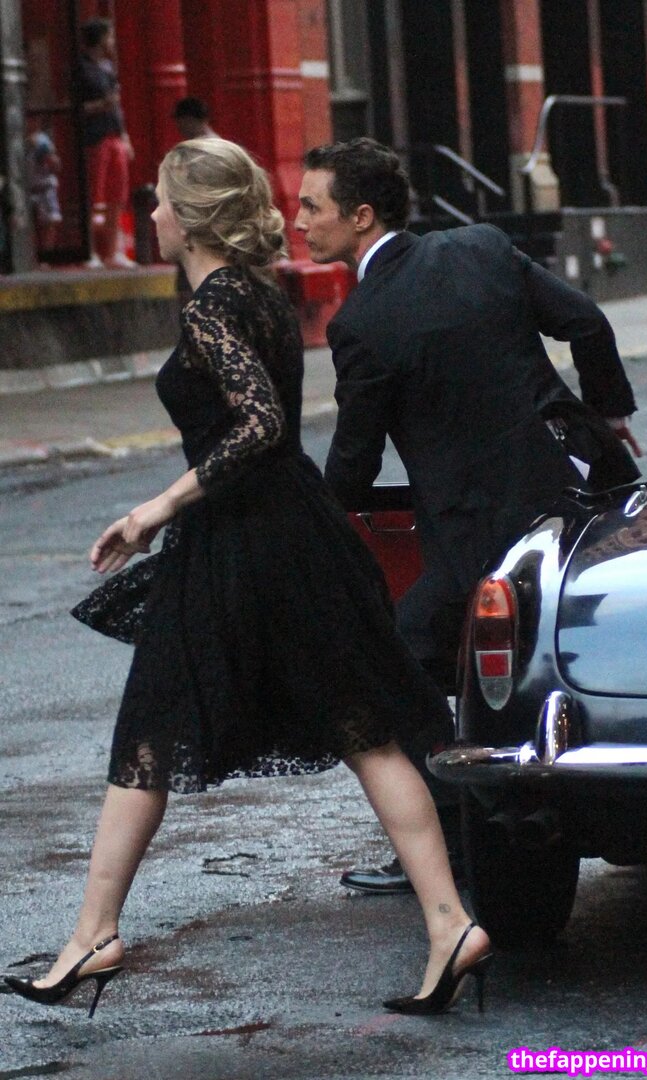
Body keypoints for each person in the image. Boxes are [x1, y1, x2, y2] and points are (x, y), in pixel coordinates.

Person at [3, 137, 491, 1020]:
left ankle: (93, 935)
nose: (150, 213)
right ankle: (450, 924)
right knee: (365, 731)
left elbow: (259, 424)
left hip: (243, 542)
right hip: (291, 533)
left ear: (191, 218)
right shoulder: (258, 295)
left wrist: (158, 507)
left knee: (151, 731)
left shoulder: (211, 307)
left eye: (159, 199)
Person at [296, 137, 641, 897]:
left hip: (481, 543)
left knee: (386, 668)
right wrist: (610, 414)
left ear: (360, 216)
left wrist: (304, 521)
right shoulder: (482, 246)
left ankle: (454, 837)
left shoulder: (362, 324)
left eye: (311, 206)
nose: (299, 222)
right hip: (583, 501)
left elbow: (353, 466)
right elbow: (587, 323)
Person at [77, 17, 136, 269]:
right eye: (109, 36)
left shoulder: (108, 67)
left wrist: (124, 136)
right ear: (100, 39)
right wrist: (103, 105)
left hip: (113, 135)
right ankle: (89, 251)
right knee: (94, 196)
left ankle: (112, 251)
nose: (112, 41)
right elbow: (75, 108)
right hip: (95, 137)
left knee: (117, 196)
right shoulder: (81, 69)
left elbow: (117, 107)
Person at [26, 126, 62, 258]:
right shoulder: (14, 137)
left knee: (50, 221)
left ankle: (47, 256)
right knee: (27, 224)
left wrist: (47, 156)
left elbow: (56, 165)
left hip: (44, 187)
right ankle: (30, 257)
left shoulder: (43, 140)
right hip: (26, 189)